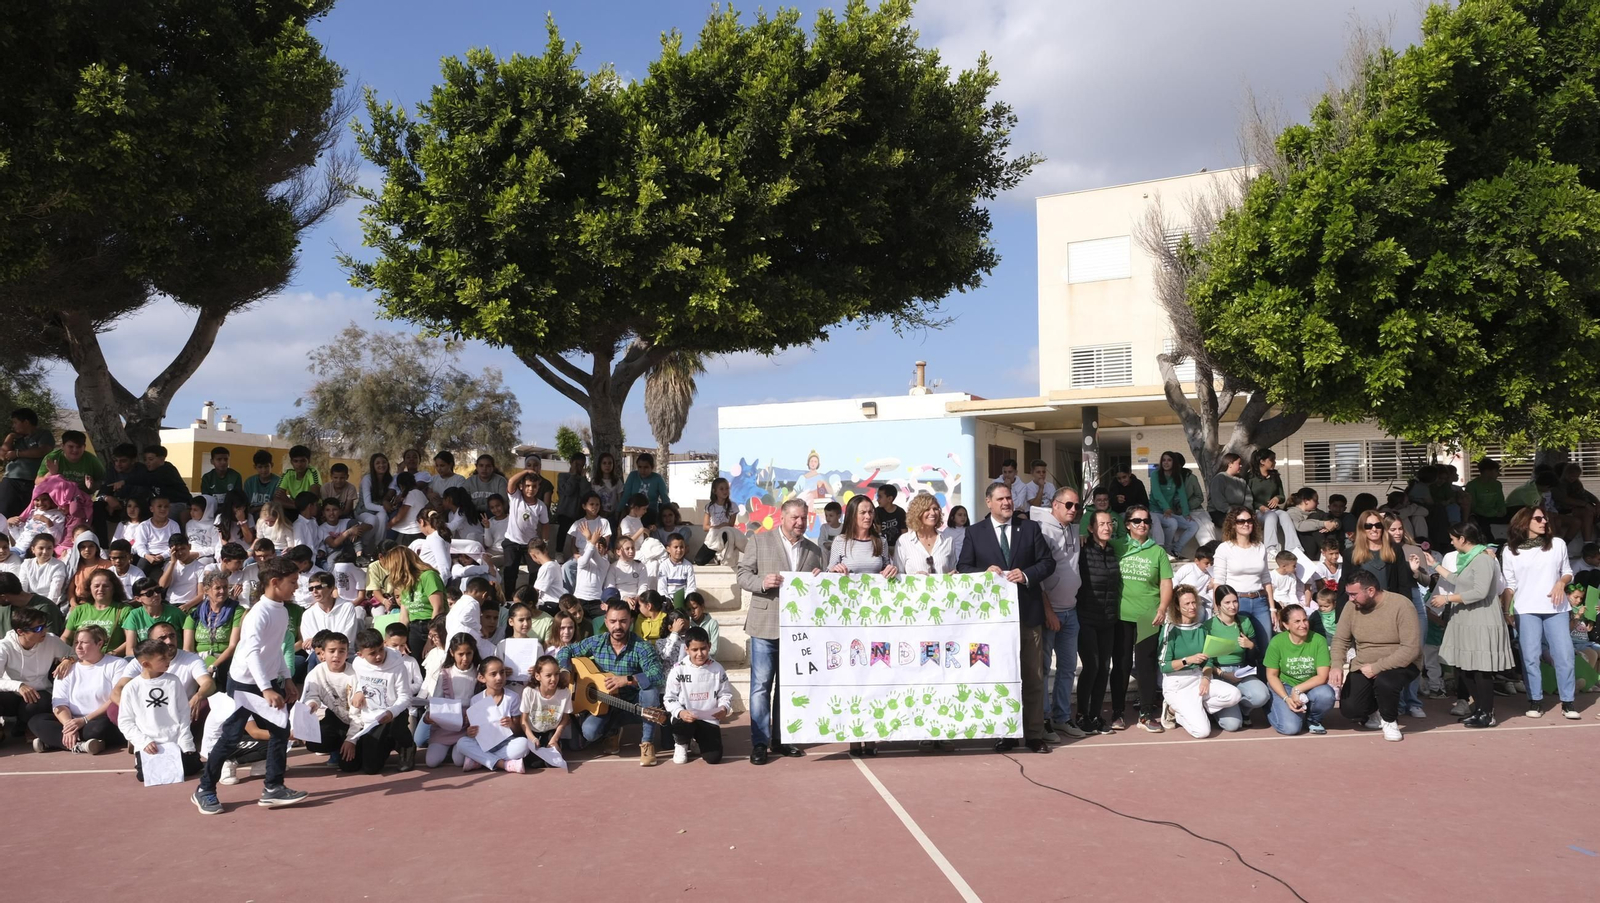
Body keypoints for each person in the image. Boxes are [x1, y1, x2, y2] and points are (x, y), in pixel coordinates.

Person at [193, 556, 309, 815]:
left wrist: (287, 678)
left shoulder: (280, 609)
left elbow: (275, 650)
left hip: (266, 680)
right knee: (232, 735)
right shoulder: (258, 614)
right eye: (292, 582)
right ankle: (205, 788)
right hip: (245, 683)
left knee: (280, 731)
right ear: (275, 582)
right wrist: (267, 688)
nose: (296, 587)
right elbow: (252, 653)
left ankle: (273, 788)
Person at [958, 481, 1056, 751]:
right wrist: (982, 573)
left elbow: (1047, 563)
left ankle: (1034, 734)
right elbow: (963, 566)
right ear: (988, 502)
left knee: (1033, 677)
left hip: (1028, 615)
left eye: (1009, 498)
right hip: (993, 623)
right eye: (1001, 499)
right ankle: (1007, 732)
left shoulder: (1030, 528)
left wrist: (1026, 575)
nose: (1007, 503)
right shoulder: (975, 533)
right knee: (1002, 677)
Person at [734, 497, 822, 764]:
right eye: (795, 518)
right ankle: (760, 743)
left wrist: (820, 577)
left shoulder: (814, 550)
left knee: (787, 686)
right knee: (761, 686)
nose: (799, 523)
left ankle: (781, 739)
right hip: (765, 624)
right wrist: (762, 582)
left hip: (796, 628)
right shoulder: (760, 541)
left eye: (803, 518)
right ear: (782, 518)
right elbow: (742, 575)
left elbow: (819, 585)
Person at [555, 600, 666, 766]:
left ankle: (647, 743)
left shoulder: (642, 647)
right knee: (589, 733)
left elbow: (658, 675)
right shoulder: (596, 642)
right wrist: (565, 669)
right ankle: (612, 731)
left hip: (631, 701)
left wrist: (629, 680)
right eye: (613, 621)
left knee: (650, 692)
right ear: (606, 622)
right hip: (603, 701)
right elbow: (566, 650)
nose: (618, 626)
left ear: (631, 621)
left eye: (623, 621)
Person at [1436, 523, 1517, 727]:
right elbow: (1459, 579)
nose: (1452, 542)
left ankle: (1487, 712)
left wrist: (1447, 599)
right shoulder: (1472, 558)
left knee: (1481, 669)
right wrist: (1434, 565)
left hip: (1481, 619)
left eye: (1454, 538)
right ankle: (1479, 709)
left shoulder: (1482, 559)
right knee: (1467, 668)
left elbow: (1479, 592)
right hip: (1468, 620)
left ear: (1463, 539)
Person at [1500, 506, 1577, 719]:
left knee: (1564, 654)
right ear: (1525, 522)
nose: (1544, 521)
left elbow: (1568, 572)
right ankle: (1535, 700)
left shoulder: (1557, 544)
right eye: (1539, 518)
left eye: (1545, 518)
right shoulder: (1510, 550)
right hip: (1525, 609)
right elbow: (1509, 583)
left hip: (1557, 608)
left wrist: (1561, 583)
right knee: (1530, 656)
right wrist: (1507, 609)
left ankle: (1568, 701)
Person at [1331, 570, 1421, 742]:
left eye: (1354, 594)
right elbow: (1340, 639)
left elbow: (1411, 649)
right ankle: (1375, 710)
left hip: (1401, 663)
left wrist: (1376, 668)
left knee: (1385, 681)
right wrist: (1336, 664)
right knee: (1351, 709)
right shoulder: (1351, 607)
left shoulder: (1402, 605)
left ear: (1370, 591)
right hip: (1364, 663)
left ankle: (1389, 720)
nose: (1350, 599)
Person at [1113, 504, 1173, 733]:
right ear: (1127, 524)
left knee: (1146, 665)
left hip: (1149, 616)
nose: (1142, 525)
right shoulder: (1117, 546)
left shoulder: (1157, 551)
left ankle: (1147, 714)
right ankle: (1117, 713)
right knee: (1121, 664)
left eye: (1146, 521)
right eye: (1137, 521)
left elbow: (1166, 582)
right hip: (1121, 615)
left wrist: (1162, 608)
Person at [1158, 585, 1241, 739]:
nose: (1192, 607)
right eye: (1187, 604)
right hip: (1178, 684)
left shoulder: (1201, 628)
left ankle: (1195, 709)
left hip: (1198, 679)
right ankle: (1172, 710)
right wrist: (1187, 660)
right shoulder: (1169, 629)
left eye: (1194, 602)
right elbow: (1164, 666)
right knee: (1202, 732)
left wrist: (1205, 678)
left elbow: (1209, 660)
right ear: (1177, 606)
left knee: (1234, 695)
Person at [1036, 487, 1086, 741]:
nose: (1073, 510)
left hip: (1071, 611)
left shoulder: (1071, 529)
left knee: (1067, 669)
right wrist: (1048, 611)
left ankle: (1062, 717)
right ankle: (1044, 721)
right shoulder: (1042, 530)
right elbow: (1040, 575)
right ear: (1054, 505)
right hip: (1050, 613)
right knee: (1044, 669)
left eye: (1076, 506)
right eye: (1068, 505)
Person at [119, 637, 202, 778]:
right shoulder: (132, 688)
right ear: (146, 664)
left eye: (168, 656)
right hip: (149, 745)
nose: (168, 660)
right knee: (144, 776)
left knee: (189, 768)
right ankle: (140, 757)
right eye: (162, 658)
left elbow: (183, 713)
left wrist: (185, 741)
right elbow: (125, 721)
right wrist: (144, 742)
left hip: (175, 742)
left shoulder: (173, 681)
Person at [31, 626, 123, 753]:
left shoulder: (117, 664)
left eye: (84, 643)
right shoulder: (66, 669)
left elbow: (116, 698)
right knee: (36, 721)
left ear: (99, 643)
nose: (78, 647)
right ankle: (81, 745)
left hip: (98, 719)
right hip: (72, 720)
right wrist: (69, 725)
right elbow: (59, 703)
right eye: (76, 642)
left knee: (98, 728)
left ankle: (55, 741)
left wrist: (84, 720)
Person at [346, 627, 418, 774]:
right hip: (372, 718)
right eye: (372, 653)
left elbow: (405, 696)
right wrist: (359, 690)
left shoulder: (397, 664)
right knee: (370, 768)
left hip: (394, 713)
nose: (379, 656)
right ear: (360, 655)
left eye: (381, 649)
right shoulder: (358, 664)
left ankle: (407, 746)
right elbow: (362, 681)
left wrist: (391, 712)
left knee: (397, 726)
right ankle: (389, 743)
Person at [1075, 509, 1121, 735]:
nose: (1106, 527)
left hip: (1108, 619)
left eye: (1109, 523)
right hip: (1086, 618)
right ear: (1091, 528)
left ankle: (1095, 714)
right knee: (1091, 666)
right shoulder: (1082, 550)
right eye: (1101, 524)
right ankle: (1082, 714)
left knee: (1104, 668)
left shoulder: (1113, 551)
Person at [0, 607, 72, 745]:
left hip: (38, 693)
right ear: (20, 632)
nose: (43, 631)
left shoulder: (51, 640)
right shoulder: (4, 646)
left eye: (44, 626)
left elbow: (73, 654)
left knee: (37, 704)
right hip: (11, 694)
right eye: (37, 629)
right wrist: (18, 685)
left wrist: (68, 660)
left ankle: (26, 725)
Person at [1205, 585, 1270, 731]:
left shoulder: (1245, 621)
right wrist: (1222, 674)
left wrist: (1251, 646)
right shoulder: (1209, 626)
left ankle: (1242, 709)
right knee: (1232, 725)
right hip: (1219, 674)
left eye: (1235, 601)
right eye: (1227, 603)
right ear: (1218, 604)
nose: (1232, 606)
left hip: (1241, 671)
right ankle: (1217, 709)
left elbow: (1256, 655)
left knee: (1262, 696)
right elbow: (1205, 660)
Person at [1262, 604, 1334, 735]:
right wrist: (1286, 698)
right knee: (1291, 728)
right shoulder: (1277, 642)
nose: (1303, 625)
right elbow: (1271, 675)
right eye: (1297, 621)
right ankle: (1271, 706)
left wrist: (1298, 689)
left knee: (1326, 694)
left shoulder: (1319, 640)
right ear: (1286, 625)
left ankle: (1313, 720)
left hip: (1309, 686)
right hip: (1284, 686)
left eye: (1305, 620)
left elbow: (1322, 676)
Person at [665, 625, 732, 765]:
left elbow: (725, 694)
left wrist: (723, 708)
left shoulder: (717, 669)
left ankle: (697, 741)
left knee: (713, 758)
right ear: (687, 649)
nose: (700, 654)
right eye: (694, 650)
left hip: (708, 719)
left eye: (703, 648)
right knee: (681, 724)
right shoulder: (678, 670)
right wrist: (680, 712)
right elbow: (669, 699)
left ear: (709, 646)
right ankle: (682, 743)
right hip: (686, 718)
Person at [453, 656, 528, 773]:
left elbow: (518, 730)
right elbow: (475, 731)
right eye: (493, 674)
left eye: (502, 673)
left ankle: (480, 760)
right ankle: (504, 764)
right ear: (482, 678)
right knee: (461, 744)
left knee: (524, 744)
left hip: (506, 743)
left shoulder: (512, 697)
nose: (499, 678)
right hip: (483, 744)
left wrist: (511, 724)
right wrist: (471, 732)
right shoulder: (475, 700)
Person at [184, 572, 243, 682]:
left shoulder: (237, 611)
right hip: (199, 661)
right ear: (206, 590)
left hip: (225, 661)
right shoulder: (194, 614)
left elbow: (233, 646)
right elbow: (188, 649)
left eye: (225, 587)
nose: (223, 591)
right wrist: (196, 668)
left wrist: (213, 666)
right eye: (218, 588)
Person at [501, 464, 551, 592]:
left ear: (538, 487)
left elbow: (545, 525)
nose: (531, 489)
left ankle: (531, 596)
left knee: (535, 570)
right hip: (512, 541)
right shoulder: (515, 497)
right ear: (521, 486)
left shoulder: (541, 506)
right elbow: (511, 482)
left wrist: (544, 543)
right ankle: (509, 598)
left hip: (531, 544)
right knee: (510, 570)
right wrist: (527, 471)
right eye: (527, 486)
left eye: (534, 486)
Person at [1, 408, 53, 518]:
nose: (13, 426)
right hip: (11, 480)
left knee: (27, 516)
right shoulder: (16, 438)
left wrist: (17, 454)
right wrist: (10, 437)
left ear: (26, 422)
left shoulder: (43, 434)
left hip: (33, 483)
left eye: (15, 422)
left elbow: (43, 450)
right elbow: (2, 455)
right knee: (3, 513)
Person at [1150, 451, 1203, 556]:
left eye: (1169, 460)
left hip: (1168, 512)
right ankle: (1166, 550)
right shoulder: (1155, 474)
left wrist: (1186, 513)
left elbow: (1182, 495)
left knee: (1193, 525)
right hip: (1155, 511)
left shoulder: (1177, 476)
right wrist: (1166, 508)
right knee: (1172, 523)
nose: (1166, 463)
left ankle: (1176, 549)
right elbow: (1157, 494)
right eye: (1164, 460)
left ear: (1174, 462)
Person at [64, 569, 128, 652]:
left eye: (106, 586)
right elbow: (66, 637)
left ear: (114, 588)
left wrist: (114, 653)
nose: (100, 589)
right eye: (96, 586)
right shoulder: (78, 610)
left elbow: (131, 641)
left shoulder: (124, 610)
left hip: (110, 660)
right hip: (80, 660)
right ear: (89, 588)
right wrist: (67, 655)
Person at [894, 491, 956, 576]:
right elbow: (898, 574)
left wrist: (954, 574)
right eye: (927, 509)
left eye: (935, 509)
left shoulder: (948, 540)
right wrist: (914, 577)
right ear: (916, 513)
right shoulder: (904, 541)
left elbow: (953, 570)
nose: (933, 513)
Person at [1248, 449, 1297, 552]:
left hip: (1273, 510)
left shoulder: (1275, 476)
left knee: (1285, 515)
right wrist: (1259, 506)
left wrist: (1277, 498)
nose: (1275, 462)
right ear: (1262, 461)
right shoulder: (1250, 478)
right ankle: (1270, 548)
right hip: (1257, 512)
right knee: (1271, 516)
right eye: (1272, 460)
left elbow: (1282, 496)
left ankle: (1294, 548)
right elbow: (1248, 499)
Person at [700, 477, 743, 566]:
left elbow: (730, 525)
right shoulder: (709, 507)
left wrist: (723, 527)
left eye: (727, 488)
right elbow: (705, 527)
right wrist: (717, 527)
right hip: (712, 538)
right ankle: (715, 554)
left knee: (725, 533)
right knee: (699, 560)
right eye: (721, 489)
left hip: (726, 537)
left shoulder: (732, 506)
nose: (725, 491)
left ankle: (720, 555)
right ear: (714, 491)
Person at [1464, 457, 1510, 538]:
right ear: (1487, 471)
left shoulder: (1497, 484)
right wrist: (1492, 513)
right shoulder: (1472, 485)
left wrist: (1502, 511)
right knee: (1483, 524)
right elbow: (1473, 506)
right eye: (1496, 471)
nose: (1498, 474)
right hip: (1481, 515)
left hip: (1496, 514)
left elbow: (1501, 501)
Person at [18, 533, 67, 608]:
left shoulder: (58, 565)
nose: (45, 552)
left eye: (49, 548)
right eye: (41, 548)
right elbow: (22, 586)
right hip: (28, 601)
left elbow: (55, 591)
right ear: (33, 549)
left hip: (48, 604)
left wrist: (46, 607)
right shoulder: (26, 564)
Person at [554, 452, 591, 551]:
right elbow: (567, 491)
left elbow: (585, 494)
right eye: (577, 465)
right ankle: (559, 551)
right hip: (565, 511)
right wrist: (573, 476)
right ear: (571, 463)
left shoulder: (583, 480)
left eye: (581, 465)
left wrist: (582, 478)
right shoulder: (562, 476)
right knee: (563, 531)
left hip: (578, 512)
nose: (579, 468)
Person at [1208, 453, 1250, 530]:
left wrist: (1247, 511)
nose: (1241, 466)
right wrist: (1231, 511)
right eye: (1238, 463)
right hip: (1219, 512)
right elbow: (1218, 501)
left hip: (1239, 512)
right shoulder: (1219, 479)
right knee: (1236, 524)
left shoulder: (1241, 481)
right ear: (1230, 464)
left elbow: (1248, 498)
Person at [873, 484, 907, 550]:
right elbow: (878, 532)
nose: (877, 499)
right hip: (882, 547)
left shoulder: (900, 512)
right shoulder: (877, 511)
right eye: (877, 497)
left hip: (898, 547)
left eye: (880, 497)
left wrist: (903, 548)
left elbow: (904, 533)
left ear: (889, 499)